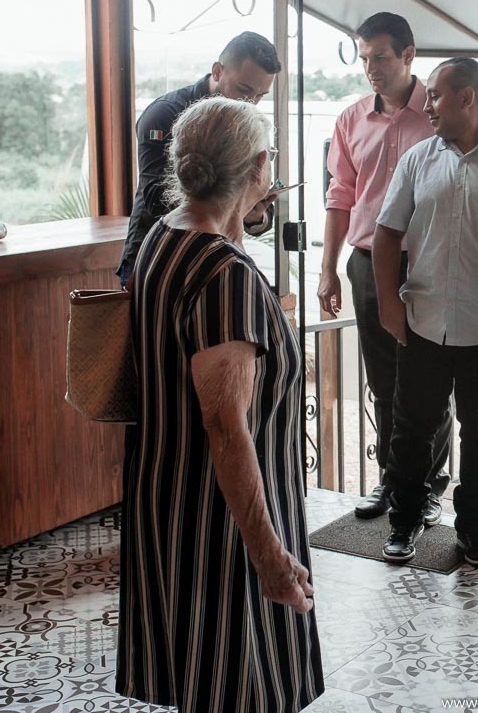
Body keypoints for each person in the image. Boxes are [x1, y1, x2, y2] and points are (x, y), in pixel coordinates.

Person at [119, 97, 323, 712]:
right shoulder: (224, 273)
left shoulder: (163, 236)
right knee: (237, 686)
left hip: (165, 500)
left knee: (198, 679)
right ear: (258, 168)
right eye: (271, 159)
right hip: (219, 523)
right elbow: (226, 427)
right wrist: (270, 556)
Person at [373, 58, 478, 564]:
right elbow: (386, 234)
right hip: (422, 320)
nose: (426, 105)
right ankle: (403, 522)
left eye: (435, 96)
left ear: (467, 98)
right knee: (410, 431)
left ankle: (474, 528)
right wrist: (388, 305)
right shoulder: (418, 158)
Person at [318, 12, 451, 525]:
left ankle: (429, 485)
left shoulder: (437, 115)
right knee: (383, 381)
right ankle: (394, 481)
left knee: (430, 381)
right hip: (369, 263)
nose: (370, 68)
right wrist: (328, 269)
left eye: (380, 57)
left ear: (408, 55)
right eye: (364, 58)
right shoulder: (351, 119)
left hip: (427, 263)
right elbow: (340, 196)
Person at [117, 31, 281, 286]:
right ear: (217, 71)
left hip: (217, 258)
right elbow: (155, 196)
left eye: (260, 95)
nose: (251, 103)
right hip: (158, 255)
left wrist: (253, 214)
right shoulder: (164, 114)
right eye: (244, 90)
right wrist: (231, 204)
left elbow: (256, 203)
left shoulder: (249, 125)